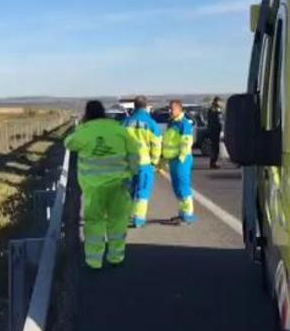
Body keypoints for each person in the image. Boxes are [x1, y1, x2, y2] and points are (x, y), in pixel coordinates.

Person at [65, 101, 139, 269]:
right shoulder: (120, 129)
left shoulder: (85, 131)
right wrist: (133, 173)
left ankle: (94, 261)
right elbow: (134, 153)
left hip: (94, 188)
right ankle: (116, 258)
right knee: (118, 221)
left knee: (94, 222)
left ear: (87, 113)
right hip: (119, 185)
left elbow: (68, 143)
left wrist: (81, 128)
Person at [122, 95, 162, 228]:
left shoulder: (126, 122)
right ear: (146, 106)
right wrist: (155, 161)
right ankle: (138, 219)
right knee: (143, 190)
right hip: (144, 163)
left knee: (128, 191)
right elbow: (156, 144)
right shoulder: (151, 123)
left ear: (134, 106)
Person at [160, 99, 196, 225]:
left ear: (180, 109)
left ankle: (188, 215)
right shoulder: (171, 123)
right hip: (173, 159)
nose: (170, 111)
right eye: (169, 108)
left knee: (183, 187)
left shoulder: (184, 123)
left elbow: (186, 142)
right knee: (177, 188)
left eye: (172, 109)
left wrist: (181, 158)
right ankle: (182, 213)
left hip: (182, 159)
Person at [206, 97, 224, 169]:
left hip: (216, 130)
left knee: (215, 147)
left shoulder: (216, 109)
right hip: (214, 130)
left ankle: (214, 162)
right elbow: (215, 119)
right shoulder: (213, 109)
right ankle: (213, 163)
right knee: (214, 147)